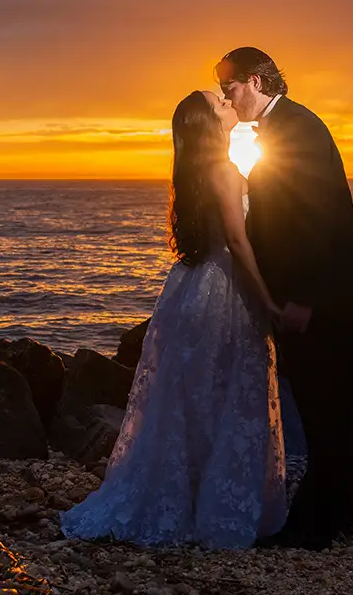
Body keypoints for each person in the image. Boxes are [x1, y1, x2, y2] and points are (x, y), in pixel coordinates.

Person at [60, 90, 288, 548]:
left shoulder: (193, 171)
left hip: (188, 288)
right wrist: (270, 300)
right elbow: (241, 245)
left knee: (190, 393)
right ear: (209, 122)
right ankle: (213, 504)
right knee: (222, 391)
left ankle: (185, 492)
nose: (227, 100)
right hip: (222, 291)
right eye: (218, 102)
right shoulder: (225, 170)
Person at [217, 46, 353, 549]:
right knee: (325, 407)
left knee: (322, 407)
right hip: (323, 291)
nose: (226, 96)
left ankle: (318, 525)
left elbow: (315, 219)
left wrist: (303, 297)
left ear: (258, 81)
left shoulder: (296, 129)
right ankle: (337, 514)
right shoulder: (287, 127)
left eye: (231, 85)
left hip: (321, 295)